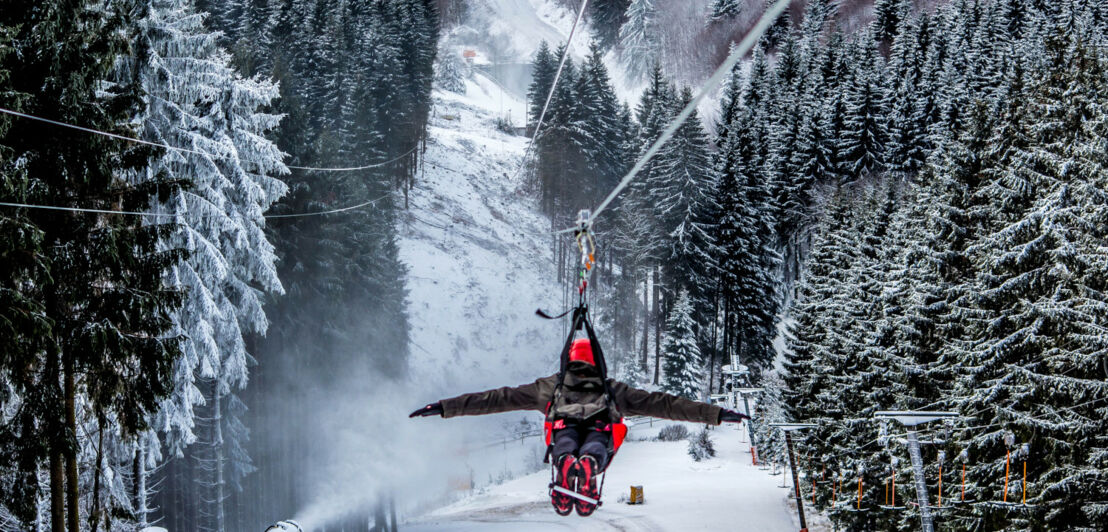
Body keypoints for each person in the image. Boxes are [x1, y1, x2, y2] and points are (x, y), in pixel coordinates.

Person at [410, 338, 750, 516]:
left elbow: (496, 398)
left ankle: (565, 462)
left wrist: (444, 407)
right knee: (598, 443)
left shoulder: (549, 386)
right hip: (603, 427)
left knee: (563, 440)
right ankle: (589, 462)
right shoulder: (613, 388)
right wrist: (717, 414)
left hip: (562, 423)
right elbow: (665, 404)